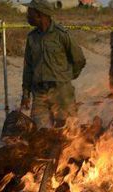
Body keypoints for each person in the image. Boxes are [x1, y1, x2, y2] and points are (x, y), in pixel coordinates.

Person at [21, 0, 86, 128]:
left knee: (66, 131)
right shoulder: (32, 38)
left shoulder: (62, 35)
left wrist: (67, 77)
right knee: (40, 133)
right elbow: (28, 68)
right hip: (39, 94)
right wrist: (25, 94)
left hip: (61, 93)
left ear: (40, 15)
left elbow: (79, 60)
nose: (27, 16)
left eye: (30, 13)